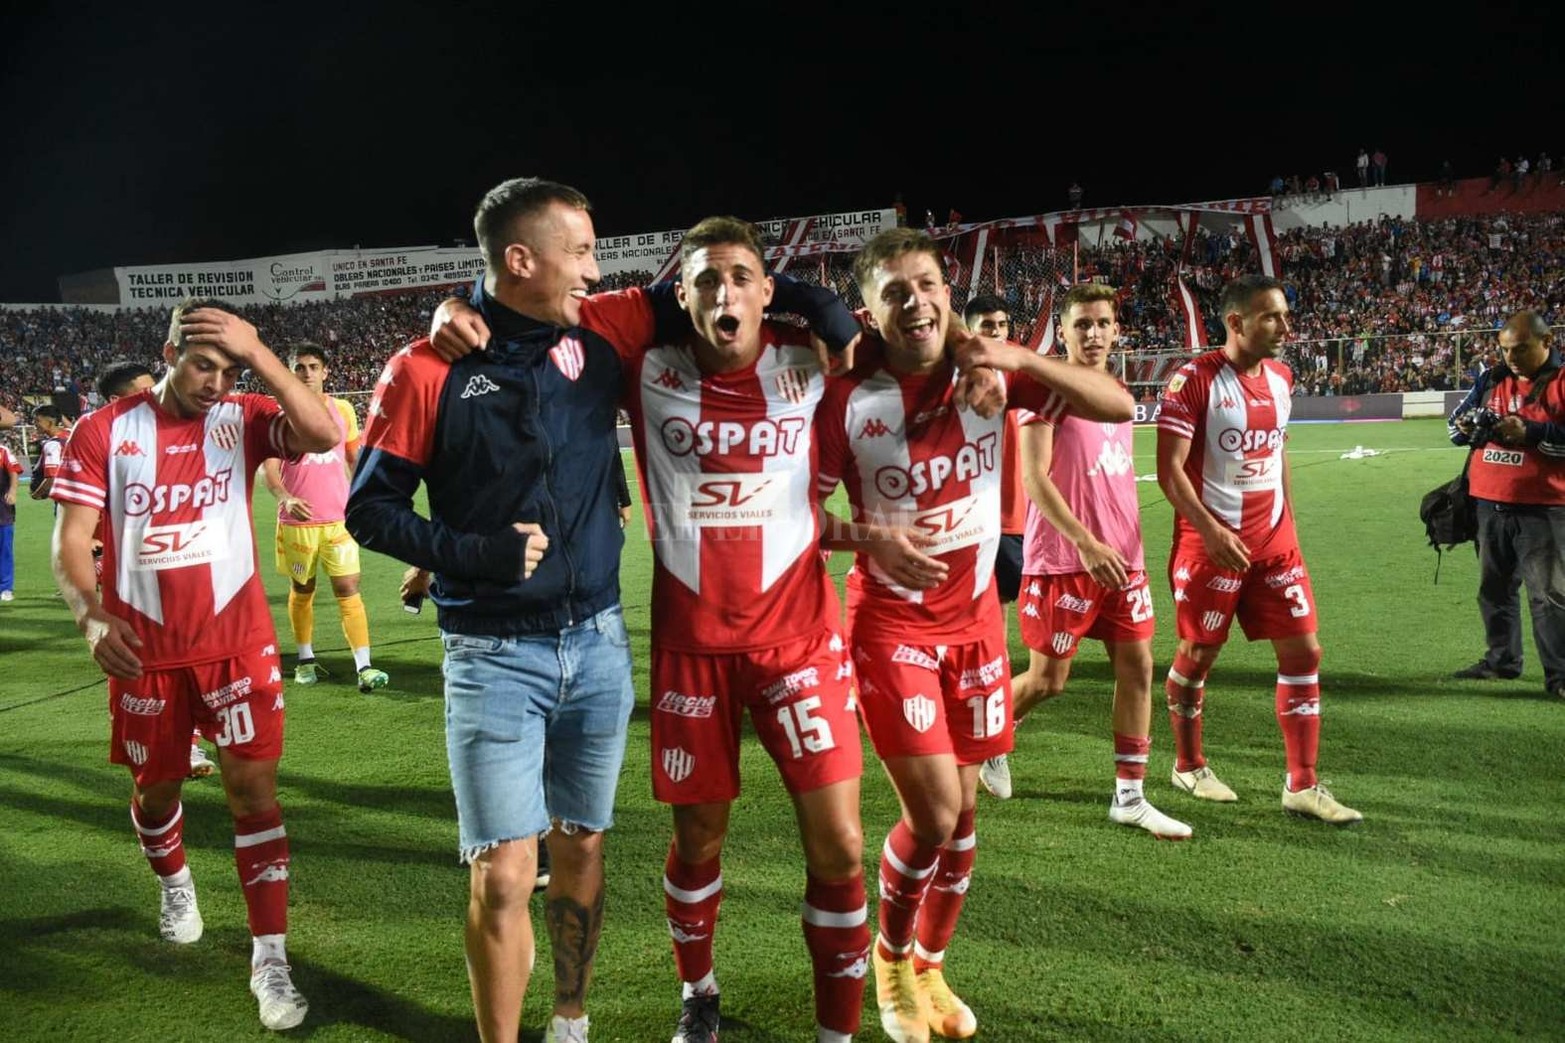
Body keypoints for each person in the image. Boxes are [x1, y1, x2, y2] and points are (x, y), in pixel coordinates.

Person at [818, 228, 1133, 1043]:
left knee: (964, 822)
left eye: (926, 284)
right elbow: (791, 515)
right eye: (895, 292)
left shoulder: (990, 378)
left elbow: (1120, 405)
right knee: (934, 810)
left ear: (947, 294)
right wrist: (869, 538)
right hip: (889, 625)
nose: (914, 301)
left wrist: (1015, 360)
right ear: (871, 311)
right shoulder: (846, 398)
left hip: (976, 626)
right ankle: (888, 960)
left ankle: (930, 962)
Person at [49, 298, 339, 1031]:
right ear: (169, 348)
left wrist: (262, 355)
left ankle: (269, 957)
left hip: (235, 644)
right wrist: (90, 617)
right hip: (143, 653)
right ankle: (175, 882)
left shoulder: (240, 417)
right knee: (155, 791)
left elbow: (322, 430)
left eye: (228, 367)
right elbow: (71, 536)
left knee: (253, 794)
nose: (214, 381)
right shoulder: (105, 430)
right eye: (202, 363)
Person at [980, 283, 1192, 840]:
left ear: (1116, 330)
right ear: (1063, 333)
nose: (1093, 333)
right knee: (1049, 680)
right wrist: (1085, 544)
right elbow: (1034, 479)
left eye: (1102, 323)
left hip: (1124, 559)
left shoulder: (1116, 393)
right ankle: (989, 740)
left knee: (1139, 666)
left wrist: (1116, 546)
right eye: (1082, 325)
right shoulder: (1045, 392)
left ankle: (1130, 795)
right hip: (1064, 561)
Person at [1155, 274, 1362, 825]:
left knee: (1304, 652)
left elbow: (1277, 455)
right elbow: (1168, 473)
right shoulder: (1192, 381)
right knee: (1198, 656)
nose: (1285, 327)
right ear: (1237, 321)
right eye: (1272, 316)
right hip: (1210, 544)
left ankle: (1302, 784)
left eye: (1286, 315)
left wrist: (1289, 524)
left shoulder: (1282, 378)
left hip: (1274, 544)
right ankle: (1188, 764)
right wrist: (1211, 531)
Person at [94, 357, 218, 780]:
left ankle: (191, 746)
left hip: (184, 572)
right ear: (116, 399)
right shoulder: (100, 438)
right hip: (130, 582)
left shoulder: (170, 431)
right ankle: (152, 743)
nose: (156, 395)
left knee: (192, 663)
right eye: (144, 389)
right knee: (144, 671)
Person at [1447, 311, 1564, 698]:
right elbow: (1453, 426)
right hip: (1489, 504)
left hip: (1545, 507)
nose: (1511, 357)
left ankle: (1560, 676)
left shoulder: (1562, 382)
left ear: (1547, 343)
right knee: (1494, 590)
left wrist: (1530, 431)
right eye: (1505, 349)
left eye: (1521, 348)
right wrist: (1466, 427)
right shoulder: (1492, 378)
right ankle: (1501, 661)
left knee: (1548, 596)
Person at [261, 343, 388, 693]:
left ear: (325, 371)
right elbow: (269, 469)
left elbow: (352, 458)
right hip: (298, 524)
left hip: (338, 519)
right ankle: (305, 660)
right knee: (303, 589)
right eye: (299, 367)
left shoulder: (343, 409)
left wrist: (364, 497)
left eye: (313, 366)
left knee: (349, 588)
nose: (307, 373)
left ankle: (364, 666)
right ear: (290, 372)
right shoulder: (277, 414)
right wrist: (284, 498)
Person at [960, 295, 1025, 801]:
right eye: (988, 325)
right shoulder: (949, 375)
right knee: (980, 632)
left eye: (1003, 325)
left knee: (999, 631)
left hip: (1017, 520)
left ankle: (988, 738)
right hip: (963, 522)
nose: (998, 332)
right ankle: (987, 744)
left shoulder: (1023, 369)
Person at [28, 405, 69, 501]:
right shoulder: (69, 433)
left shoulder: (52, 445)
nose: (35, 424)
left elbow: (51, 478)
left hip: (63, 496)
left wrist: (36, 495)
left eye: (37, 420)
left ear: (50, 423)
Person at [0, 433, 20, 601]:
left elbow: (14, 471)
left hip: (2, 509)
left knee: (4, 548)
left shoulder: (2, 451)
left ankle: (6, 588)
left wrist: (12, 491)